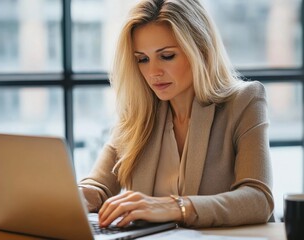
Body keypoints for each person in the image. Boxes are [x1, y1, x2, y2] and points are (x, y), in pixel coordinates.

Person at [79, 0, 274, 228]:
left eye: (167, 56)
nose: (153, 72)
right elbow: (99, 186)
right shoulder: (139, 112)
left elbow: (259, 198)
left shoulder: (244, 101)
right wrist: (72, 197)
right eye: (142, 59)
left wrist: (174, 207)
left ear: (200, 49)